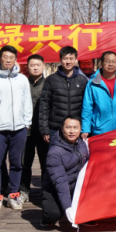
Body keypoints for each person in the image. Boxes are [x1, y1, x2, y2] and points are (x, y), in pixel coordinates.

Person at [0, 45, 33, 212]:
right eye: (5, 57)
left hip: (19, 129)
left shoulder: (22, 79)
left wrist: (26, 123)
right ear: (0, 59)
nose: (8, 60)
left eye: (11, 57)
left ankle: (14, 195)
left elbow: (27, 102)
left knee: (17, 164)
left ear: (15, 59)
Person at [38, 47, 88, 175]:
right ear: (60, 60)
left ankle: (71, 187)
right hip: (55, 128)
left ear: (76, 60)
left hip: (75, 129)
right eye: (65, 58)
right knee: (52, 161)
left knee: (75, 161)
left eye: (71, 58)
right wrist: (44, 129)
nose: (68, 61)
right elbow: (44, 105)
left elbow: (87, 106)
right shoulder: (51, 80)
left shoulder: (82, 80)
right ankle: (49, 187)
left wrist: (85, 128)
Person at [41, 116, 89, 229]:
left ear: (80, 129)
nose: (72, 131)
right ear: (62, 129)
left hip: (76, 187)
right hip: (55, 188)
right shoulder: (54, 152)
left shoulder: (82, 144)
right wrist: (68, 207)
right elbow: (60, 183)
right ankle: (47, 217)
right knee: (53, 214)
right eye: (68, 127)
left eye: (75, 127)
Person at [81, 51, 116, 137]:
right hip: (100, 130)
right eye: (107, 61)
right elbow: (87, 108)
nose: (111, 64)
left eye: (113, 61)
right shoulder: (93, 83)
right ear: (101, 63)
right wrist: (85, 129)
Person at [17, 54, 48, 203]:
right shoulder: (22, 84)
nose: (35, 68)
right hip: (26, 131)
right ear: (27, 67)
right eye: (32, 65)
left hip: (43, 131)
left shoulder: (48, 84)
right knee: (24, 163)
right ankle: (24, 191)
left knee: (46, 163)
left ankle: (45, 191)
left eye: (38, 65)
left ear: (43, 66)